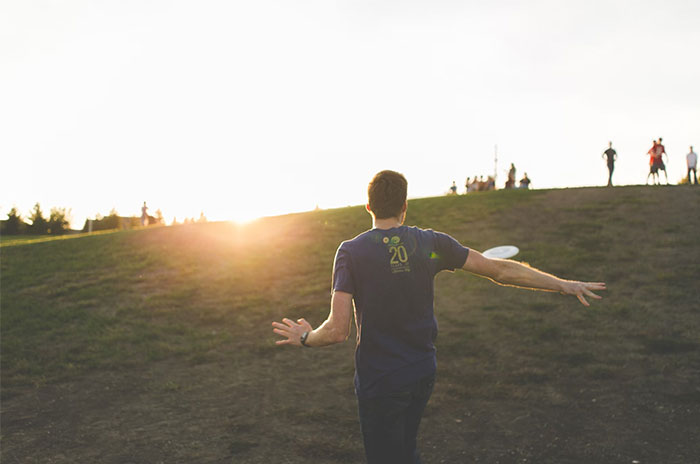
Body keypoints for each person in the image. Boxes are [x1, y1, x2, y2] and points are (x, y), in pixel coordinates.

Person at [271, 170, 606, 464]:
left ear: (368, 206)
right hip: (421, 373)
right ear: (405, 206)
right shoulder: (430, 243)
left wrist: (305, 337)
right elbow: (500, 270)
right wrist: (563, 284)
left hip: (382, 382)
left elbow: (336, 330)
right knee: (404, 450)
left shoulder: (351, 251)